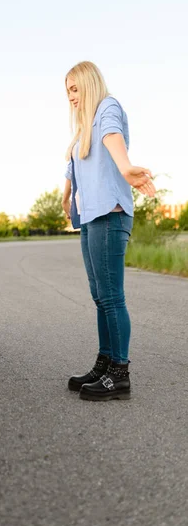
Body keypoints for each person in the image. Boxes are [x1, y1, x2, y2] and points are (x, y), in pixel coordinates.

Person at [62, 61, 156, 401]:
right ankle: (104, 363)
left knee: (112, 296)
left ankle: (120, 373)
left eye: (75, 89)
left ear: (88, 84)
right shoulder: (84, 124)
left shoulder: (107, 107)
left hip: (110, 213)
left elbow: (112, 137)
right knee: (100, 296)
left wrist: (126, 166)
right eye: (67, 91)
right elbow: (77, 159)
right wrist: (67, 190)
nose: (71, 97)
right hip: (90, 216)